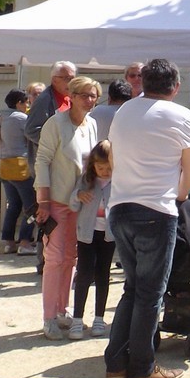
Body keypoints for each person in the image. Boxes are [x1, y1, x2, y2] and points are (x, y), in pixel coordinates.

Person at [104, 58, 190, 378]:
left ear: (142, 83)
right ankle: (142, 366)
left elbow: (114, 158)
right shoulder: (181, 115)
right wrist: (181, 197)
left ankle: (116, 362)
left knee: (133, 289)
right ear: (175, 86)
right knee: (150, 294)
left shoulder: (124, 111)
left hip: (121, 206)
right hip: (156, 210)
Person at [34, 76, 101, 340]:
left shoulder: (92, 124)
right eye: (85, 95)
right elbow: (42, 161)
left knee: (71, 259)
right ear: (71, 96)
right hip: (57, 202)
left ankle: (62, 310)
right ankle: (49, 317)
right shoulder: (55, 123)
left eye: (94, 95)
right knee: (55, 259)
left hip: (82, 202)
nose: (90, 100)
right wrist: (43, 200)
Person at [71, 140, 116, 340]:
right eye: (100, 168)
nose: (105, 172)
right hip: (86, 235)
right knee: (84, 274)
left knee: (103, 274)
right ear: (93, 166)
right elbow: (72, 204)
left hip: (108, 236)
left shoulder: (118, 182)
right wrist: (79, 196)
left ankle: (99, 317)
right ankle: (77, 319)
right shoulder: (86, 180)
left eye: (109, 168)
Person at [0, 89, 38, 256]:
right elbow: (33, 137)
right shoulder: (22, 118)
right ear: (19, 103)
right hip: (21, 165)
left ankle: (8, 242)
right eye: (25, 102)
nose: (27, 105)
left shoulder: (0, 117)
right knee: (32, 207)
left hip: (5, 164)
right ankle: (25, 241)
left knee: (13, 205)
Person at [25, 61, 78, 168]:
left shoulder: (70, 97)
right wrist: (57, 144)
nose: (72, 82)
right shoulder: (44, 100)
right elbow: (31, 130)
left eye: (74, 78)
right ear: (54, 79)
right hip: (50, 166)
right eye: (67, 79)